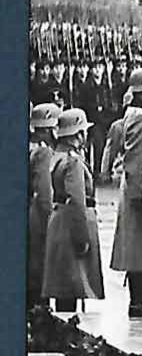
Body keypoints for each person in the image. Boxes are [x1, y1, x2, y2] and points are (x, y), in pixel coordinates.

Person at [106, 67, 142, 318]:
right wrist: (140, 195)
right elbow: (136, 160)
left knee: (137, 247)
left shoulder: (134, 114)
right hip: (138, 190)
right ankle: (138, 301)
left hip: (135, 188)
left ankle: (139, 300)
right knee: (138, 248)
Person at [43, 108, 105, 313]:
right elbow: (77, 201)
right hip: (73, 225)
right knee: (71, 286)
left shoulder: (57, 156)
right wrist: (82, 238)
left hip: (59, 221)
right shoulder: (73, 161)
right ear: (78, 134)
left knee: (63, 286)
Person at [28, 103, 62, 308]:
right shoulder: (44, 153)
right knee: (40, 268)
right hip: (39, 218)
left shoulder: (31, 146)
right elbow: (44, 194)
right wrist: (52, 222)